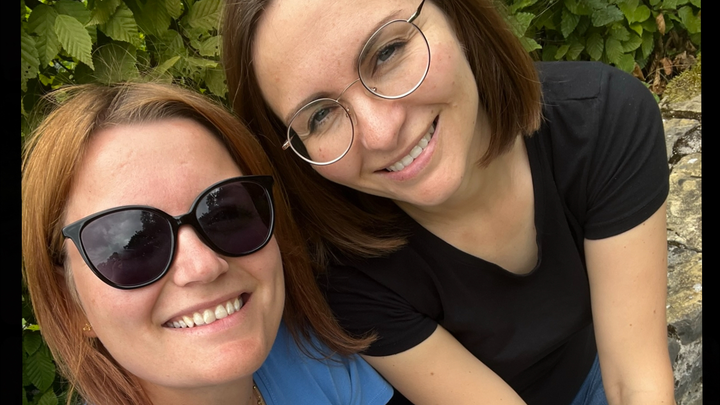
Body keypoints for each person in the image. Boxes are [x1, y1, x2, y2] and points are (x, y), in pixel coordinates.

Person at [220, 0, 678, 404]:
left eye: (387, 52)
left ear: (456, 15)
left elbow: (635, 382)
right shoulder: (342, 270)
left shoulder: (603, 123)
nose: (381, 133)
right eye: (320, 115)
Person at [21, 82, 395, 405]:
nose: (203, 266)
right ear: (69, 303)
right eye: (132, 245)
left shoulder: (314, 359)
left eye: (225, 213)